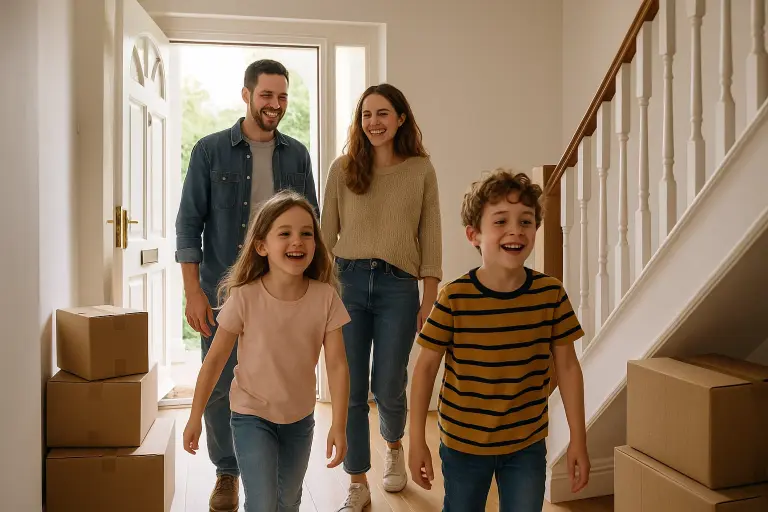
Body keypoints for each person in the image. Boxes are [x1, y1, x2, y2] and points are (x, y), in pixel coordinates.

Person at [175, 59, 319, 510]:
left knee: (281, 375)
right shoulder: (209, 151)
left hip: (284, 289)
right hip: (225, 288)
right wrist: (193, 291)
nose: (274, 105)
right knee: (219, 380)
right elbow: (188, 225)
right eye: (266, 96)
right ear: (246, 95)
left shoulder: (296, 154)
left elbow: (310, 220)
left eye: (282, 97)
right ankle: (227, 471)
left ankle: (268, 467)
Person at [408, 170, 590, 511]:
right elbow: (424, 370)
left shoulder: (550, 294)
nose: (515, 231)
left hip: (526, 443)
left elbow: (567, 367)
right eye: (501, 221)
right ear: (474, 234)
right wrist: (416, 441)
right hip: (464, 444)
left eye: (526, 221)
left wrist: (578, 440)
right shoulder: (454, 298)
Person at [182, 190, 351, 512]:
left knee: (288, 502)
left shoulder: (325, 297)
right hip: (250, 416)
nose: (297, 241)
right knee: (262, 503)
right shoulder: (244, 298)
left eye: (306, 233)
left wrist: (339, 425)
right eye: (284, 233)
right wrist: (194, 418)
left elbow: (338, 366)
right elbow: (214, 361)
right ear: (262, 246)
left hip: (300, 418)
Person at [321, 83, 443, 511]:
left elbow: (430, 239)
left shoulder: (420, 170)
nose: (373, 122)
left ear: (401, 119)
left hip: (398, 287)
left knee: (389, 383)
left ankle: (393, 446)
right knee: (350, 387)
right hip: (347, 283)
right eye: (366, 115)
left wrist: (429, 298)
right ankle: (357, 480)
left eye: (383, 113)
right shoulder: (343, 169)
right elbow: (324, 237)